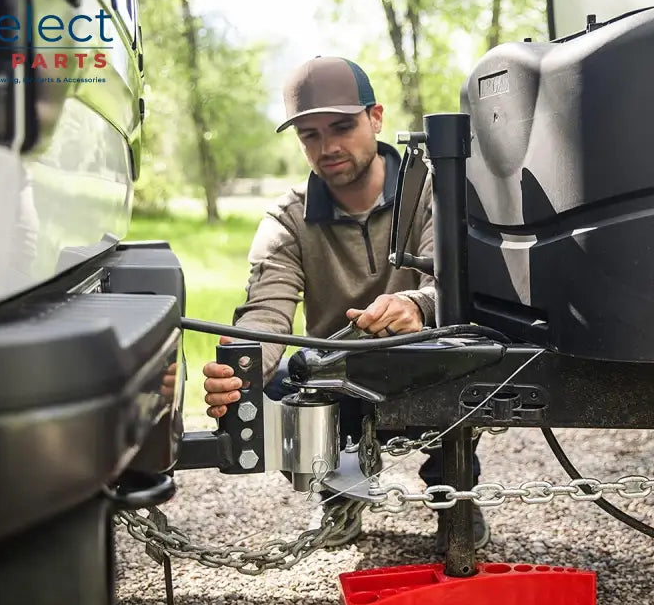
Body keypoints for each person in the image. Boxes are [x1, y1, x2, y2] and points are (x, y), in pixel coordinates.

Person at [201, 56, 488, 551]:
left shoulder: (436, 190)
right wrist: (240, 371)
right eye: (309, 135)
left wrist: (417, 305)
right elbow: (266, 314)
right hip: (339, 373)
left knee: (474, 356)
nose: (328, 147)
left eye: (341, 127)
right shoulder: (287, 219)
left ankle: (454, 493)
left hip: (428, 361)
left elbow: (457, 283)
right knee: (282, 381)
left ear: (375, 118)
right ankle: (340, 489)